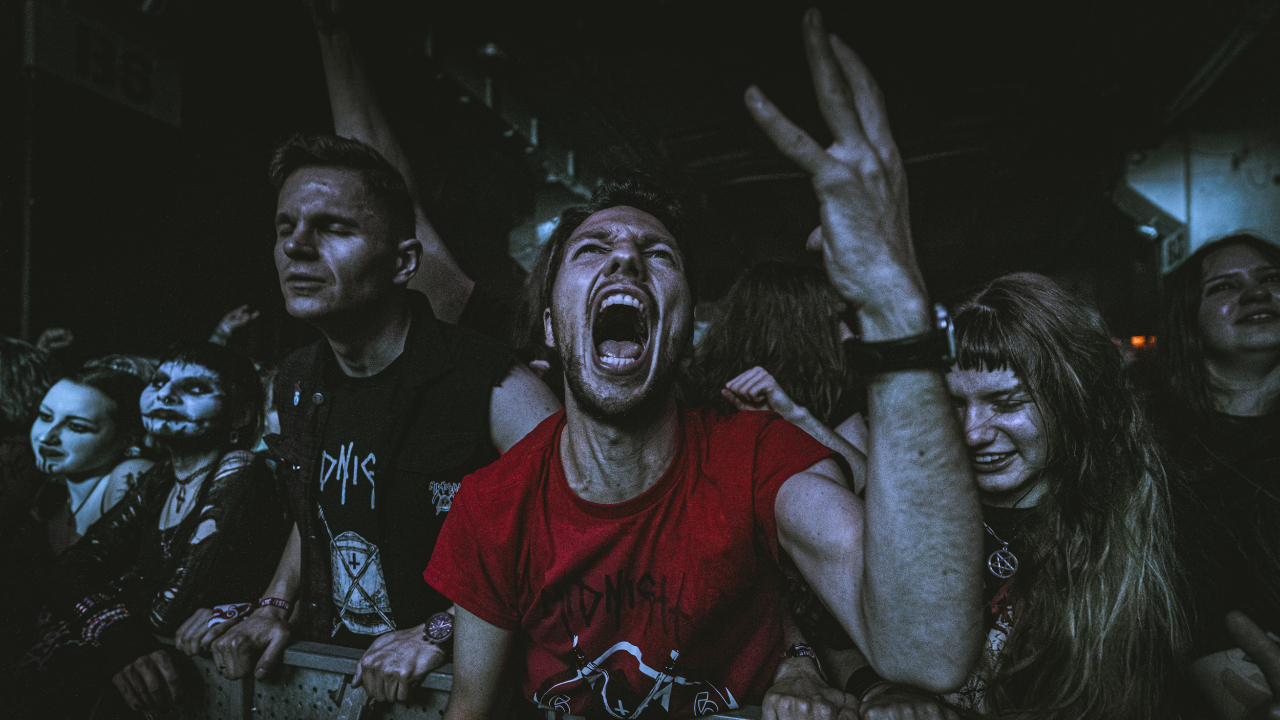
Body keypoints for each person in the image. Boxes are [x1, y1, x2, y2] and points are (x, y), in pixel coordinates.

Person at [425, 12, 982, 720]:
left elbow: (927, 647)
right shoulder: (494, 504)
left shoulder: (758, 459)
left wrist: (897, 311)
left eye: (658, 255)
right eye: (593, 249)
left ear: (685, 329)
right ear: (551, 330)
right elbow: (468, 711)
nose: (626, 256)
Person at [206, 132, 560, 704]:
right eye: (285, 227)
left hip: (455, 696)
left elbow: (573, 542)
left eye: (333, 228)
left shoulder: (495, 386)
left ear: (403, 263)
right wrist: (274, 605)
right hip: (334, 683)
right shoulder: (296, 382)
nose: (297, 246)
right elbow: (315, 505)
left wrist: (444, 629)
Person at [939, 272, 1187, 718]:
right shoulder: (917, 510)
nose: (973, 433)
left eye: (1008, 403)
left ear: (1069, 395)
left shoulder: (1127, 517)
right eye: (954, 404)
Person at [3, 341, 289, 720]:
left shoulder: (239, 470)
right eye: (158, 382)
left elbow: (168, 611)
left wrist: (103, 611)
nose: (166, 395)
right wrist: (115, 624)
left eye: (195, 389)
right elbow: (70, 569)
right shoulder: (162, 477)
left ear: (240, 415)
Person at [303, 0, 511, 339]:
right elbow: (386, 190)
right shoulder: (503, 341)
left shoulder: (522, 367)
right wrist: (332, 31)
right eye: (591, 249)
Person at [1153, 233, 1280, 719]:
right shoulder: (1154, 449)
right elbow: (1194, 616)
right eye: (1223, 287)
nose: (1256, 293)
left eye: (1272, 278)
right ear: (1189, 323)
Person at [695, 261, 867, 489]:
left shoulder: (828, 388)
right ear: (794, 328)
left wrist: (796, 416)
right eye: (831, 323)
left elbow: (871, 486)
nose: (848, 335)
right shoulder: (703, 391)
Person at [29, 365, 154, 555]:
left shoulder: (129, 475)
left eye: (77, 427)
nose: (46, 437)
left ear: (127, 440)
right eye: (46, 416)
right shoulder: (51, 492)